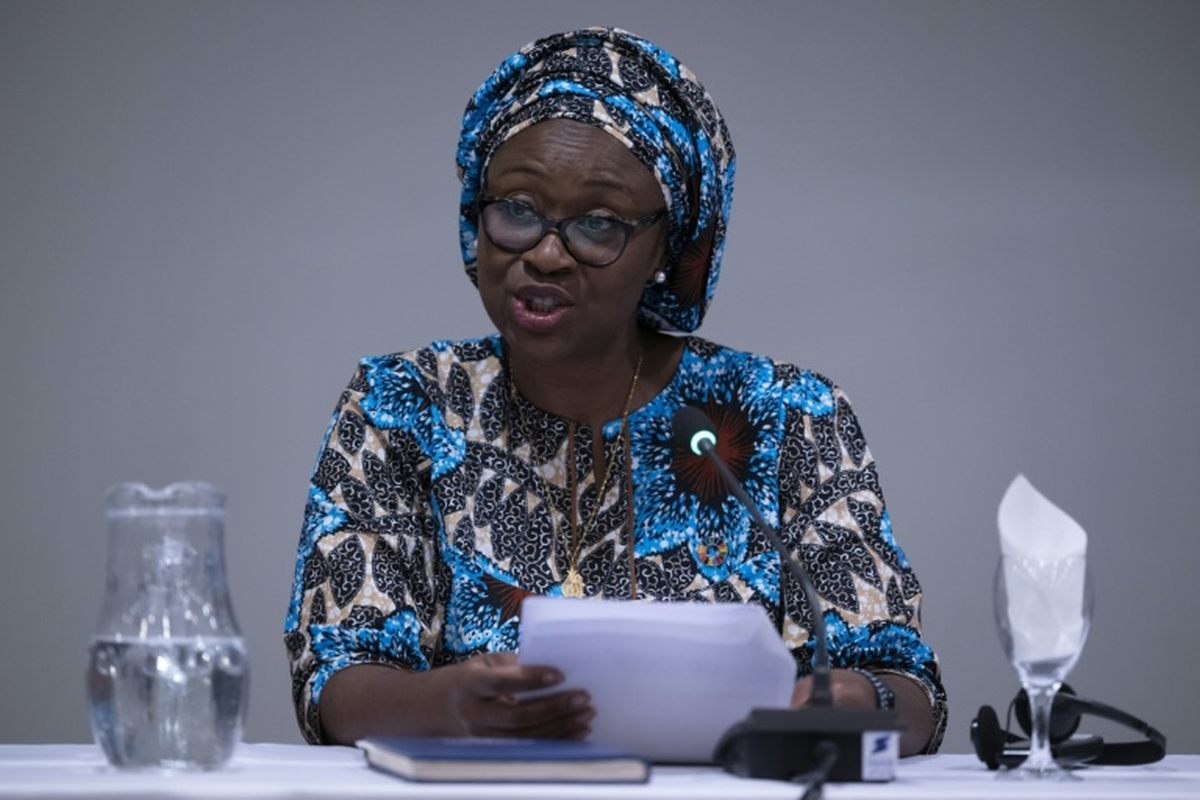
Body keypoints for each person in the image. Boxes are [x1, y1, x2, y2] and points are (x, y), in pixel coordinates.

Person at [284, 27, 947, 756]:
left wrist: (862, 699)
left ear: (668, 244)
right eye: (517, 210)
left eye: (597, 223)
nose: (545, 253)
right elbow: (336, 678)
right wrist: (443, 707)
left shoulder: (790, 415)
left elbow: (908, 687)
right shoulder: (401, 404)